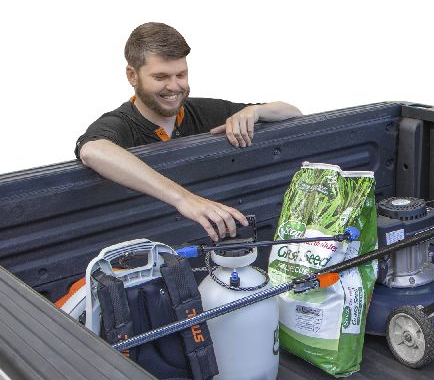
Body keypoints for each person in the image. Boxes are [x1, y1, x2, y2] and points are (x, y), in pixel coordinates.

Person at [76, 22, 303, 241]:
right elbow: (92, 150)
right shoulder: (120, 123)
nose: (174, 86)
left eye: (181, 75)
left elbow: (293, 112)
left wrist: (256, 111)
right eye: (160, 77)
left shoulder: (204, 110)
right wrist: (184, 199)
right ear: (132, 75)